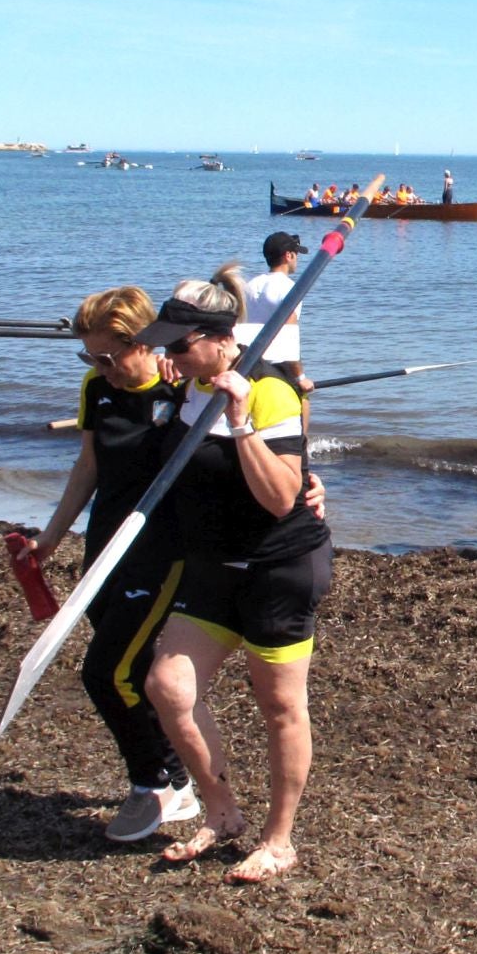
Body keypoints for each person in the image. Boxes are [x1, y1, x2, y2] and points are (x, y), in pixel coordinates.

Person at [134, 268, 332, 884]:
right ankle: (221, 813)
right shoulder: (183, 385)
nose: (167, 354)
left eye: (178, 344)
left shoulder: (268, 391)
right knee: (168, 689)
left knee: (279, 706)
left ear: (219, 339)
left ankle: (279, 840)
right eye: (163, 345)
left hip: (278, 566)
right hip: (213, 565)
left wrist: (242, 418)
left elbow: (280, 496)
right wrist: (167, 386)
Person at [31, 286, 198, 841]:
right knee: (134, 670)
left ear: (146, 344)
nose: (102, 368)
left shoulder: (181, 391)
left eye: (111, 357)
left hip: (160, 552)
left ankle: (149, 784)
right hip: (102, 546)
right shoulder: (95, 388)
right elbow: (89, 465)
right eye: (90, 357)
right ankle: (180, 785)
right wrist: (53, 535)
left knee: (106, 672)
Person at [241, 230, 314, 395]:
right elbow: (288, 335)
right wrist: (300, 377)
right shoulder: (289, 288)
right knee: (303, 402)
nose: (297, 259)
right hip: (276, 367)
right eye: (296, 254)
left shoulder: (250, 285)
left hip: (247, 364)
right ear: (288, 256)